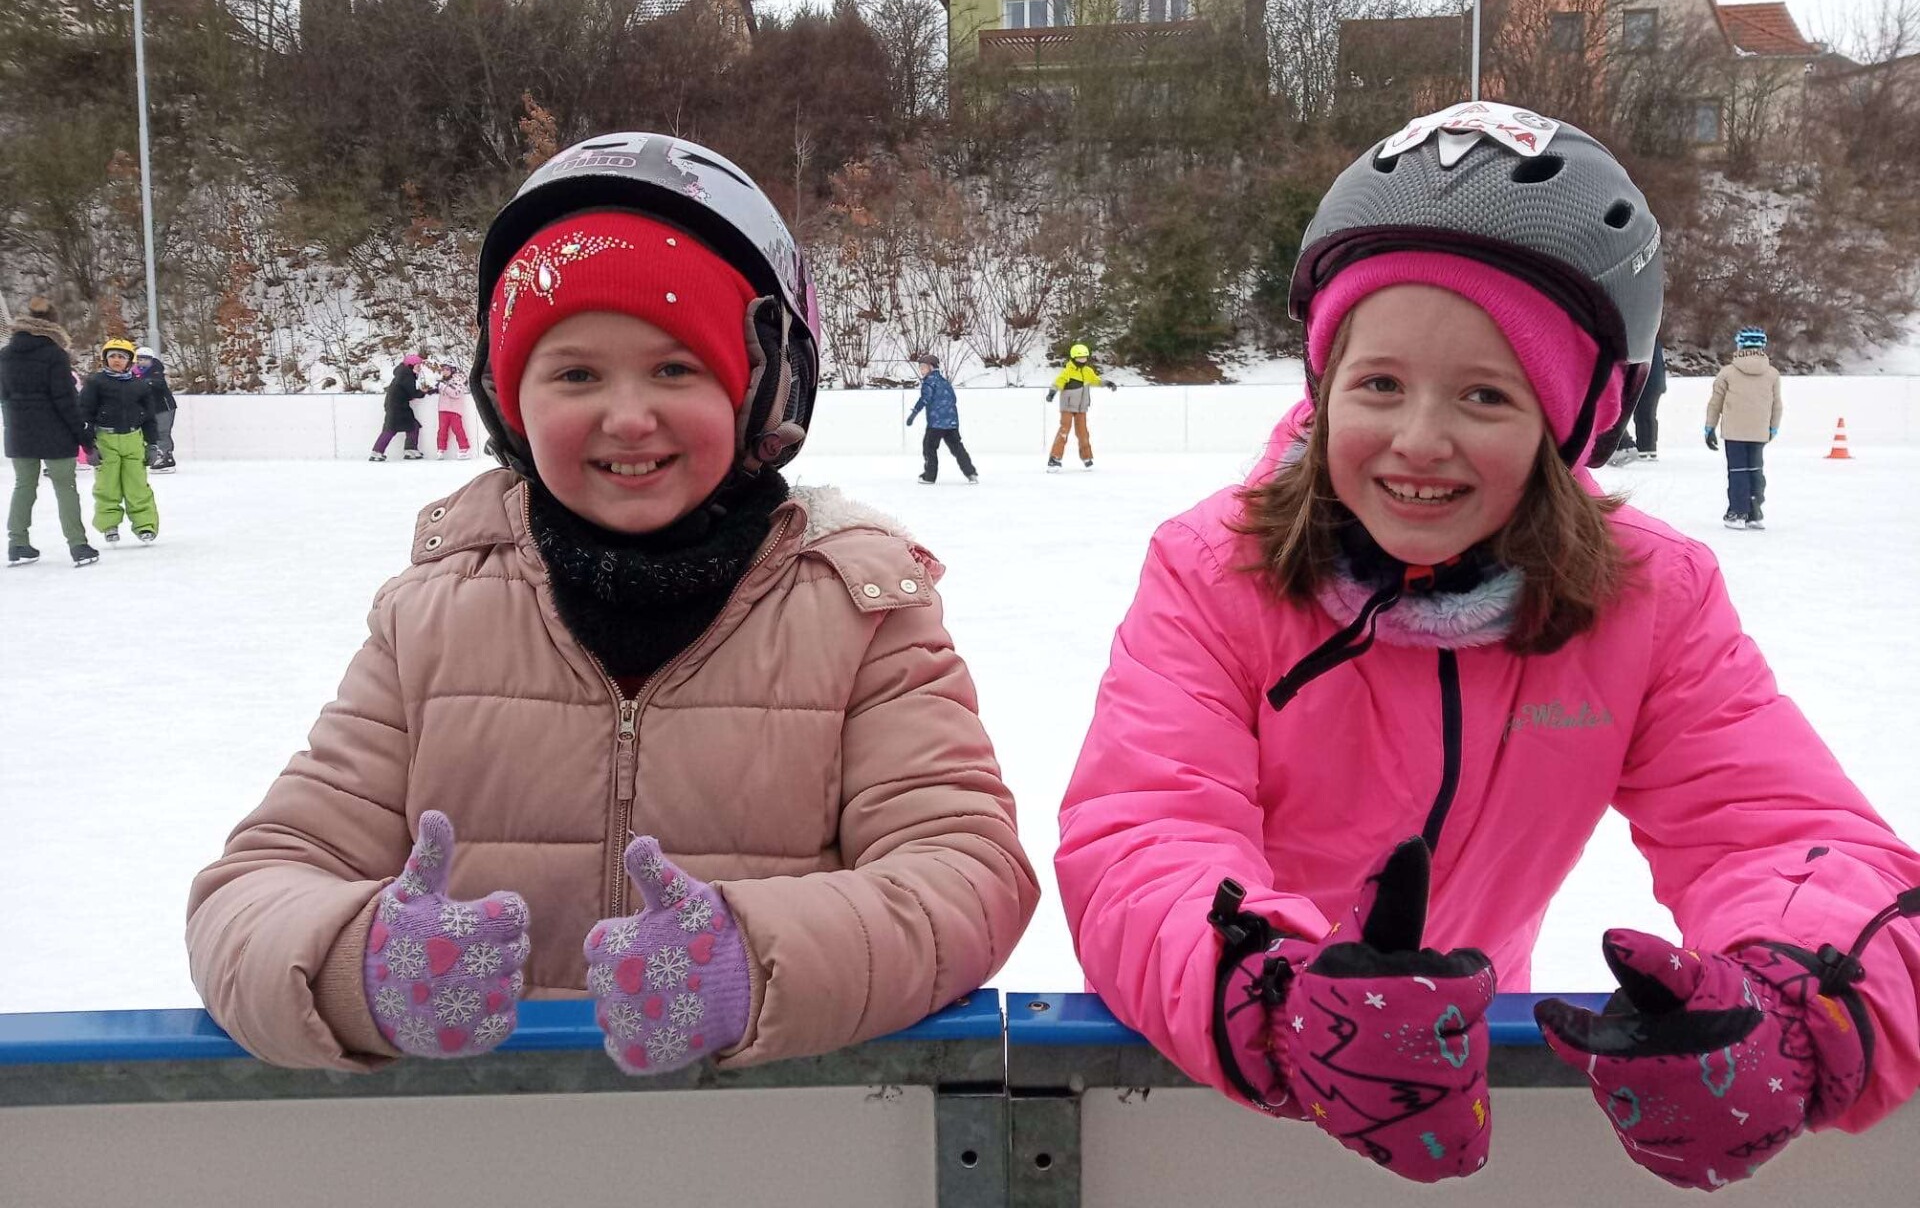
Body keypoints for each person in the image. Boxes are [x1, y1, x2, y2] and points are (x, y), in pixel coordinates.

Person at [1055, 103, 1920, 1190]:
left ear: (1572, 421)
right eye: (1379, 384)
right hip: (1247, 1068)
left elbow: (1780, 830)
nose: (1419, 440)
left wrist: (1798, 1007)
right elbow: (1149, 832)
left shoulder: (1651, 598)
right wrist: (1273, 992)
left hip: (1471, 1060)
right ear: (1323, 387)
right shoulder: (1212, 570)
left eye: (1485, 394)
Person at [187, 132, 1039, 1075]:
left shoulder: (860, 612)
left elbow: (966, 873)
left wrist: (750, 962)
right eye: (576, 375)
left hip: (774, 1130)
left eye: (676, 369)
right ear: (510, 403)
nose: (628, 418)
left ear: (758, 391)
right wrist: (356, 964)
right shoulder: (431, 616)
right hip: (487, 1137)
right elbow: (254, 889)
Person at [1, 296, 99, 567]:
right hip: (55, 431)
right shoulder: (54, 354)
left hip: (19, 432)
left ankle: (17, 542)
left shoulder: (6, 355)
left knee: (24, 486)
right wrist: (84, 439)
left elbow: (4, 396)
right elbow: (65, 401)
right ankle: (78, 545)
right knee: (65, 487)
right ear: (53, 324)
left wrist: (14, 426)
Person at [80, 337, 161, 544]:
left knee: (137, 485)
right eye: (112, 356)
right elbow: (84, 414)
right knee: (107, 486)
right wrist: (89, 447)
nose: (117, 360)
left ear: (129, 361)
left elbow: (149, 418)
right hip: (106, 440)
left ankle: (145, 524)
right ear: (105, 359)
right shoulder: (96, 383)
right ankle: (109, 525)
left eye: (122, 357)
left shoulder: (139, 385)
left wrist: (152, 444)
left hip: (133, 439)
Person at [1706, 327, 1782, 531]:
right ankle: (1754, 513)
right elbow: (1777, 404)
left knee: (1737, 470)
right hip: (1760, 431)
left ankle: (1738, 512)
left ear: (1740, 345)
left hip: (1734, 432)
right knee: (1756, 470)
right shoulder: (1772, 374)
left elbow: (1715, 403)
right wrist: (1773, 427)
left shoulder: (1727, 373)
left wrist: (1709, 427)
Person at [906, 351, 977, 485]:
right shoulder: (945, 382)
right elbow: (953, 399)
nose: (921, 370)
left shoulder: (929, 382)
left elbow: (925, 399)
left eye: (923, 367)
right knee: (957, 448)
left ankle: (929, 476)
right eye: (920, 368)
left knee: (929, 448)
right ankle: (971, 474)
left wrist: (914, 413)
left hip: (936, 423)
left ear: (931, 367)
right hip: (951, 422)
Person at [1045, 342, 1117, 471]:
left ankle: (1087, 458)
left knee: (1083, 433)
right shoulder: (1068, 371)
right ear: (1073, 358)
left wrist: (1107, 383)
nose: (1082, 361)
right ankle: (1054, 458)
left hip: (1082, 407)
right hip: (1068, 407)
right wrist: (1052, 393)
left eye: (1084, 358)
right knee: (1064, 431)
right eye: (1079, 358)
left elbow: (1096, 380)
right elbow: (1058, 382)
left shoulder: (1088, 371)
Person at [1608, 338, 1666, 465]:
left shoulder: (1643, 345)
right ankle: (1649, 447)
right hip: (1657, 384)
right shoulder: (1653, 343)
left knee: (1641, 415)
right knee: (1650, 415)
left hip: (1645, 384)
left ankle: (1638, 447)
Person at [370, 353, 429, 460]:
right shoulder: (407, 375)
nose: (420, 368)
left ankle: (409, 449)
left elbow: (404, 391)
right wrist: (423, 392)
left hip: (395, 405)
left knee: (410, 426)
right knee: (394, 428)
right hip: (398, 406)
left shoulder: (403, 373)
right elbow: (412, 392)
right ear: (411, 365)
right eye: (418, 366)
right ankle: (377, 452)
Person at [135, 345, 178, 472]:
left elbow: (159, 384)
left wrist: (146, 382)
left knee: (162, 432)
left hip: (164, 407)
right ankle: (158, 455)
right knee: (151, 433)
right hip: (149, 408)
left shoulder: (156, 370)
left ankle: (166, 457)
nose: (142, 362)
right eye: (139, 359)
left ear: (151, 360)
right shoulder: (134, 372)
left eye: (145, 359)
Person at [433, 359, 473, 460]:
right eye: (443, 369)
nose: (444, 371)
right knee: (442, 430)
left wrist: (444, 387)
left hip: (454, 410)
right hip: (443, 409)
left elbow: (456, 394)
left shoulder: (458, 380)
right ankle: (440, 449)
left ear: (452, 370)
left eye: (447, 369)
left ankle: (464, 448)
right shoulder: (442, 381)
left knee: (457, 429)